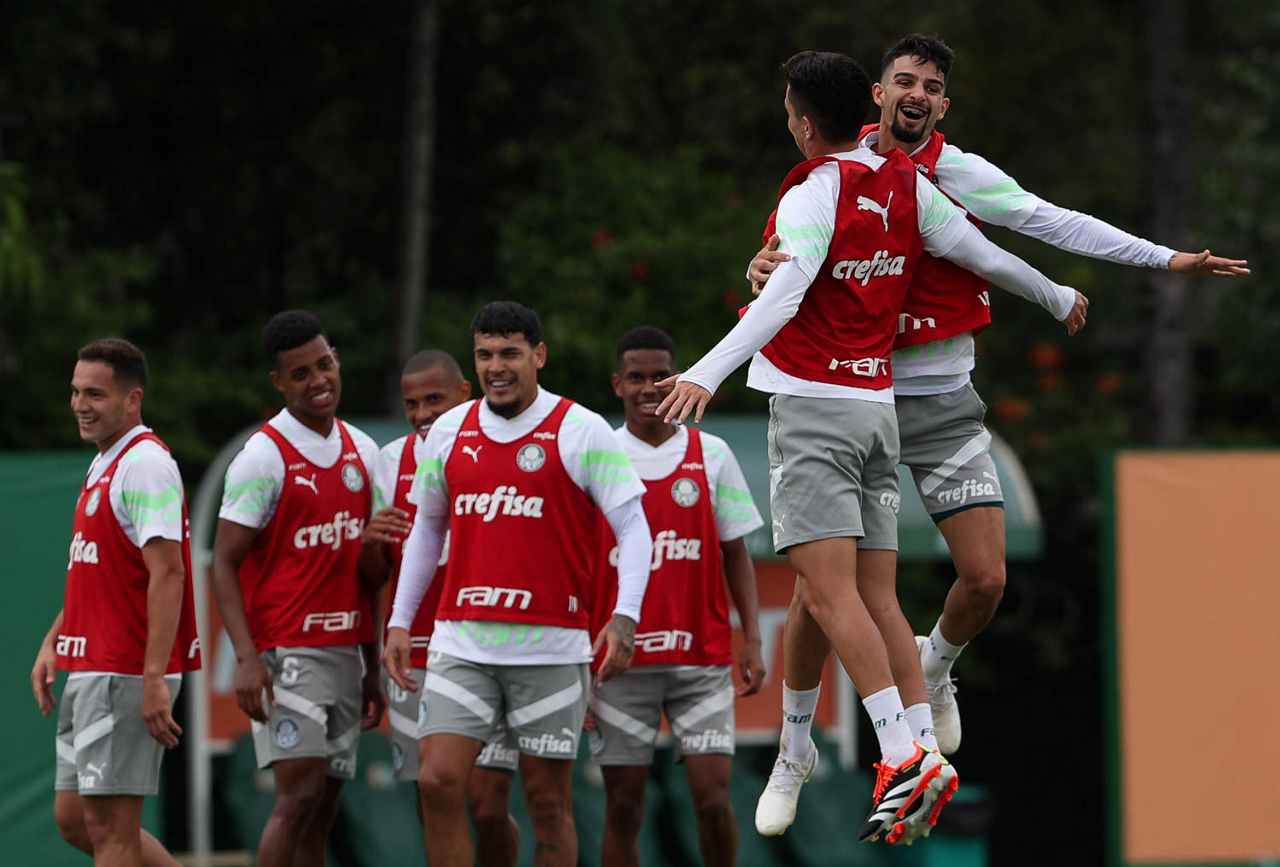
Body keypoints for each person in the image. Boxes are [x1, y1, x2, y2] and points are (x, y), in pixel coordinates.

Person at [745, 34, 1250, 810]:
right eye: (905, 80)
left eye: (932, 86)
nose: (917, 93)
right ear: (877, 94)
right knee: (822, 589)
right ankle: (794, 747)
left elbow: (1051, 223)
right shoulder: (832, 170)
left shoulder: (957, 175)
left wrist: (1165, 259)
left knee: (986, 577)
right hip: (857, 398)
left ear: (943, 106)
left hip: (943, 403)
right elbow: (782, 269)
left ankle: (937, 667)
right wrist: (756, 269)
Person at [658, 51, 1085, 845]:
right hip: (877, 412)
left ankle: (896, 754)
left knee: (829, 595)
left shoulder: (813, 192)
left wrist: (706, 372)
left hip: (815, 412)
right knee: (867, 595)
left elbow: (782, 295)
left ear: (803, 123)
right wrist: (1055, 293)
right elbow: (984, 255)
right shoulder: (906, 183)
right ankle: (890, 745)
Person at [383, 300, 652, 867]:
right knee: (435, 782)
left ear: (539, 355)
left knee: (548, 805)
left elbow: (634, 528)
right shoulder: (449, 430)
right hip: (461, 646)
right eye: (484, 355)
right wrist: (401, 621)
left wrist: (625, 617)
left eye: (509, 353)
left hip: (551, 651)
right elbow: (427, 529)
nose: (496, 367)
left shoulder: (580, 429)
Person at [211, 310, 385, 867]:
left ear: (337, 360)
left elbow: (369, 574)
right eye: (301, 373)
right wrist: (246, 657)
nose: (318, 381)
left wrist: (373, 664)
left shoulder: (365, 451)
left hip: (347, 652)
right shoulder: (263, 456)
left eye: (324, 364)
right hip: (287, 651)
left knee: (323, 809)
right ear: (279, 382)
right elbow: (223, 563)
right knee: (299, 797)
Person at [589, 326, 766, 867]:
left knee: (712, 802)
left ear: (679, 377)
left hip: (701, 660)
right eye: (636, 378)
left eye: (660, 376)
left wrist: (753, 639)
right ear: (617, 384)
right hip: (620, 666)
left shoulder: (711, 454)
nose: (649, 389)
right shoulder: (597, 456)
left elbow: (736, 554)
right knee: (623, 809)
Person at [31, 338, 201, 867]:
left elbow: (168, 573)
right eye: (76, 392)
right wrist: (53, 641)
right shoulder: (105, 460)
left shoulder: (145, 464)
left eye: (95, 394)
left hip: (123, 671)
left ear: (132, 399)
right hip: (90, 666)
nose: (80, 405)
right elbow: (101, 572)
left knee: (111, 831)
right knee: (74, 819)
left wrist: (153, 678)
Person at [362, 348, 520, 866]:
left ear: (464, 394)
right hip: (417, 656)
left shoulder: (501, 446)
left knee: (489, 805)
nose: (423, 413)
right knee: (431, 795)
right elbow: (376, 575)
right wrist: (370, 544)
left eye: (434, 399)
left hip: (488, 650)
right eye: (412, 403)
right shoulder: (390, 460)